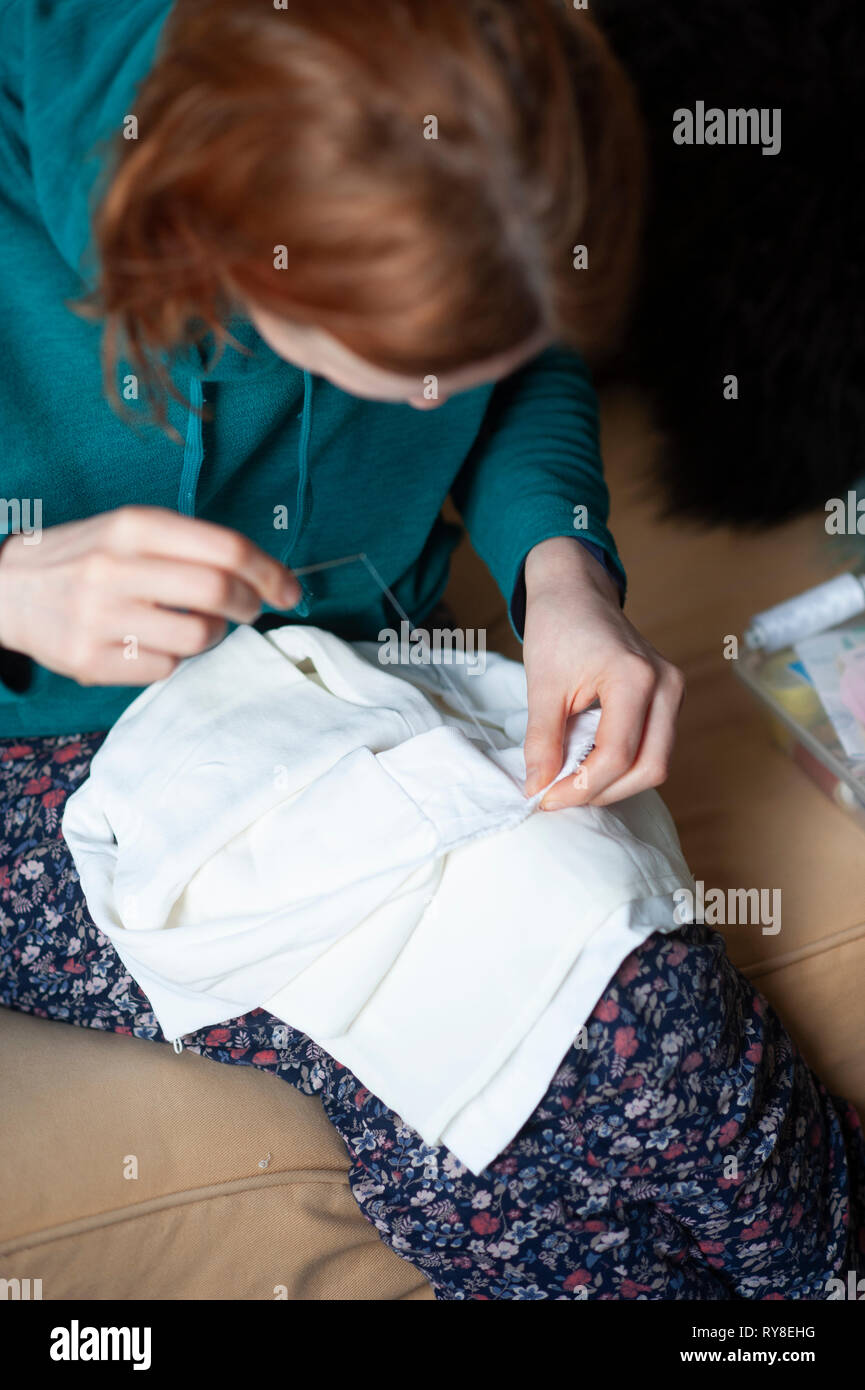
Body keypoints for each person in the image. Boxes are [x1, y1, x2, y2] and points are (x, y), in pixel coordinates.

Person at [0, 0, 861, 1299]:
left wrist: (561, 571)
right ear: (221, 235)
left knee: (516, 1110)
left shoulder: (483, 88)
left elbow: (521, 365)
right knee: (628, 1018)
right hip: (48, 761)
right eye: (399, 370)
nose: (429, 408)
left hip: (345, 691)